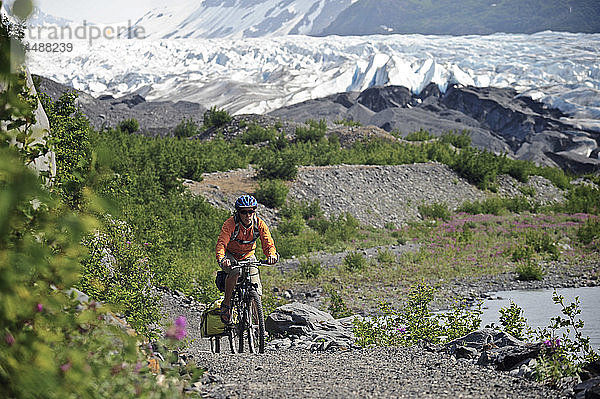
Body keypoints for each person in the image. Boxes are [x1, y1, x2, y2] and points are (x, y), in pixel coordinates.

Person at [216, 195, 278, 324]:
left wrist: (271, 255)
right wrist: (222, 258)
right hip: (230, 255)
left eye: (251, 211)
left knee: (256, 290)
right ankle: (226, 304)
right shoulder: (230, 224)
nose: (247, 215)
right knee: (235, 272)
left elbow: (268, 242)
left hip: (248, 256)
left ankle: (257, 327)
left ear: (254, 211)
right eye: (244, 212)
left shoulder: (259, 224)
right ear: (238, 212)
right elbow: (222, 243)